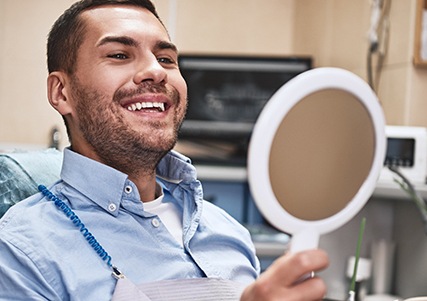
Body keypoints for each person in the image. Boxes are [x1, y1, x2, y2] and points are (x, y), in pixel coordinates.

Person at [0, 0, 329, 300]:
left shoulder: (228, 232)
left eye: (166, 59)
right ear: (61, 92)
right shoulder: (21, 251)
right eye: (119, 55)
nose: (156, 71)